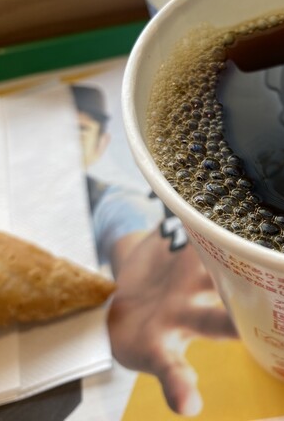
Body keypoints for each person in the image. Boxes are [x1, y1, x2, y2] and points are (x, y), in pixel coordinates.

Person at [72, 85, 238, 416]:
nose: (63, 147)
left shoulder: (115, 203)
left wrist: (136, 298)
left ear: (102, 143)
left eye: (78, 132)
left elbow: (129, 240)